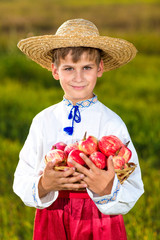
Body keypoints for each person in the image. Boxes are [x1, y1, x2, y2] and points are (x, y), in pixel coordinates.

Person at [13, 18, 144, 240]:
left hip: (99, 218)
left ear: (99, 68)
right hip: (53, 216)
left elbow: (134, 185)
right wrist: (45, 184)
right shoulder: (43, 120)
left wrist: (107, 188)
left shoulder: (112, 122)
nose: (78, 77)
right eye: (68, 68)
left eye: (86, 67)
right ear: (55, 71)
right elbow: (22, 177)